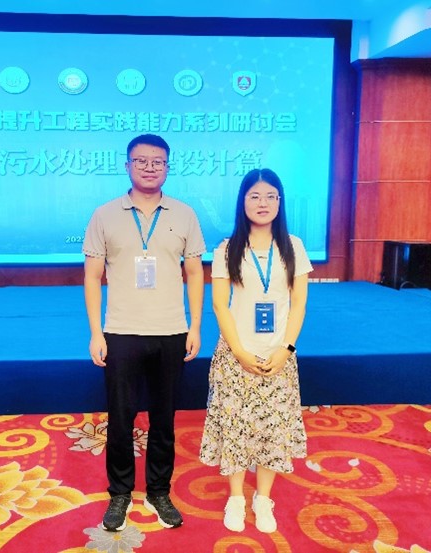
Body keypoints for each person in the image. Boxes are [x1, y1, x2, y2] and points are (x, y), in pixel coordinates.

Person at [83, 134, 206, 532]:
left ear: (168, 167)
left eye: (158, 161)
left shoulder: (185, 214)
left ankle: (158, 490)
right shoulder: (104, 215)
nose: (150, 167)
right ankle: (120, 492)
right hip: (120, 331)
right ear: (127, 165)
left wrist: (195, 326)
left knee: (163, 419)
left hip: (171, 331)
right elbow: (92, 277)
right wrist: (96, 333)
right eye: (141, 161)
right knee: (121, 417)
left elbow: (194, 274)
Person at [199, 168, 312, 533]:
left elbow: (299, 304)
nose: (263, 203)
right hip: (236, 356)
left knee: (272, 429)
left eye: (270, 197)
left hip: (279, 355)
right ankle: (236, 497)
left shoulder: (293, 246)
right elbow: (220, 305)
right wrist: (239, 352)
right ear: (242, 201)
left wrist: (286, 349)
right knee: (236, 427)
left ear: (280, 202)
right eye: (255, 196)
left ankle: (263, 499)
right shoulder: (227, 249)